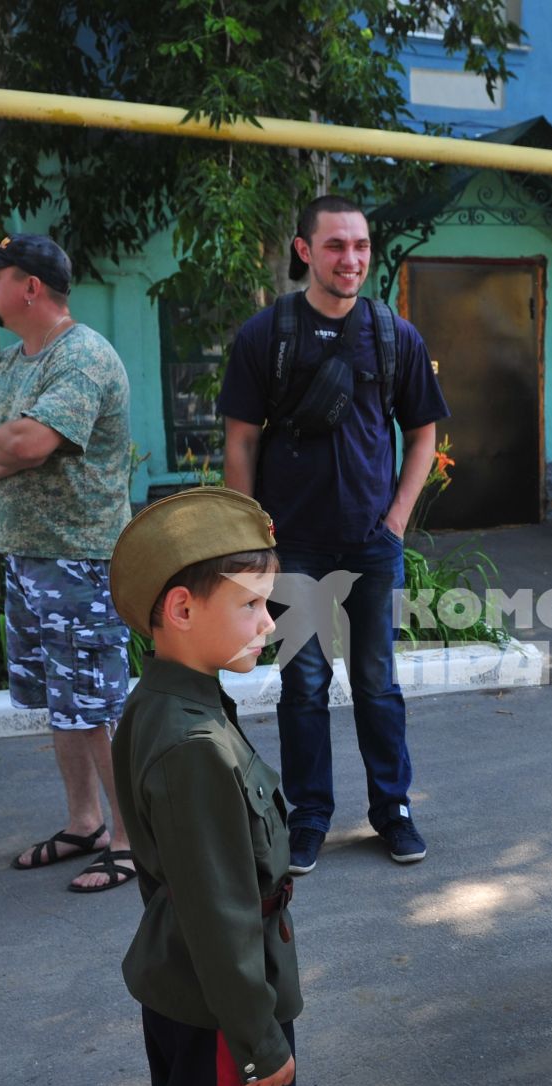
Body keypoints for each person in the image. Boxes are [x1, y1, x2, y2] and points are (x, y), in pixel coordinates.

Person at [108, 487, 308, 1086]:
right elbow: (221, 914)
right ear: (182, 609)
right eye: (254, 604)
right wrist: (259, 1043)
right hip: (227, 1011)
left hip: (192, 993)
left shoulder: (168, 701)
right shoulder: (192, 742)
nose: (268, 622)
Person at [218, 195, 448, 875]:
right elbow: (241, 441)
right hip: (294, 547)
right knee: (304, 684)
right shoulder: (267, 335)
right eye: (336, 246)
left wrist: (399, 517)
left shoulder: (393, 334)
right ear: (304, 251)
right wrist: (251, 538)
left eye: (361, 246)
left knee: (378, 682)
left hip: (372, 545)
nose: (351, 259)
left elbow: (424, 432)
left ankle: (392, 810)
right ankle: (309, 817)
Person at [0, 232, 137, 893]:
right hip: (26, 557)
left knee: (95, 705)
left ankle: (130, 837)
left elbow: (27, 441)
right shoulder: (7, 366)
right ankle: (84, 822)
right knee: (62, 706)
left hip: (81, 560)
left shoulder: (83, 358)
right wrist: (7, 448)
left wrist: (0, 446)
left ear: (30, 286)